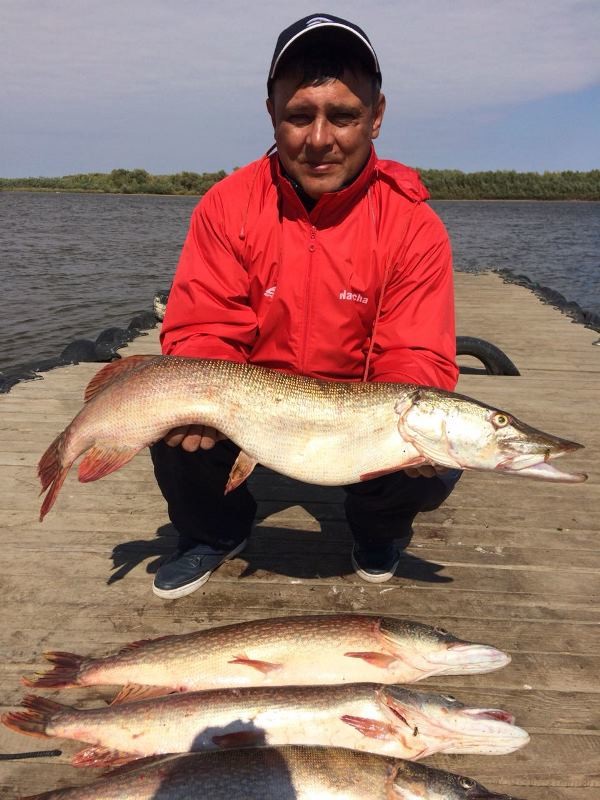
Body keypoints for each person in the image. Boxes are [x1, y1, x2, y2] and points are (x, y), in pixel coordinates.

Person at [150, 13, 461, 599]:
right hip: (247, 406)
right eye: (299, 116)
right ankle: (216, 534)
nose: (320, 139)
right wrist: (198, 393)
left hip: (357, 413)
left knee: (436, 450)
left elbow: (415, 352)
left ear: (377, 115)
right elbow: (204, 327)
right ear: (271, 113)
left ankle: (375, 531)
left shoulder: (414, 224)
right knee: (171, 414)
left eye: (343, 116)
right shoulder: (226, 206)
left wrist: (412, 427)